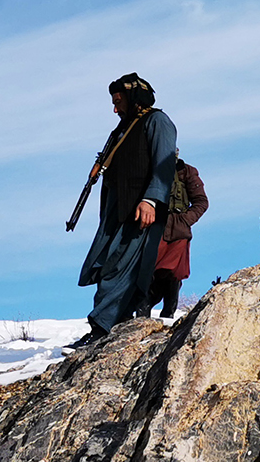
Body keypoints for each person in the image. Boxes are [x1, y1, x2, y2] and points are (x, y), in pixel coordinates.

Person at [72, 73, 177, 347]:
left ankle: (102, 328)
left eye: (118, 101)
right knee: (105, 264)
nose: (115, 109)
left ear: (133, 97)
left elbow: (164, 164)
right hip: (116, 212)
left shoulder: (157, 121)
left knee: (119, 266)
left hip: (140, 211)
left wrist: (151, 200)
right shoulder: (122, 129)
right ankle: (112, 326)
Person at [143, 155, 208, 318]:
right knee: (148, 272)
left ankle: (168, 314)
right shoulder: (148, 171)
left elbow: (201, 201)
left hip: (178, 230)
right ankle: (143, 314)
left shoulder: (186, 172)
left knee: (174, 273)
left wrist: (184, 220)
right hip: (153, 228)